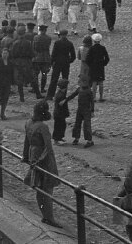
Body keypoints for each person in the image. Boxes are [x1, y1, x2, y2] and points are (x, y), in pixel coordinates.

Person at [23, 99, 61, 228]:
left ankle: (45, 216)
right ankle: (50, 218)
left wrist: (26, 157)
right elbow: (48, 148)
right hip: (44, 160)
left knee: (39, 188)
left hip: (33, 155)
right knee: (48, 189)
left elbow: (26, 142)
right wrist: (40, 161)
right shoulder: (43, 127)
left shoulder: (28, 123)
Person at [46, 29, 75, 99]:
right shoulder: (69, 43)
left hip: (57, 63)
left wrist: (51, 63)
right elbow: (73, 56)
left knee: (54, 79)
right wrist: (69, 61)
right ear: (66, 35)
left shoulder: (57, 43)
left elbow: (53, 54)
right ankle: (63, 95)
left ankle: (50, 95)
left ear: (60, 35)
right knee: (65, 79)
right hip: (66, 63)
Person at [68, 81, 95, 147]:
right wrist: (66, 100)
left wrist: (92, 111)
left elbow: (92, 101)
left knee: (86, 126)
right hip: (80, 109)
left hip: (86, 110)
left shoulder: (89, 91)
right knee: (77, 124)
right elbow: (72, 95)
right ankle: (76, 138)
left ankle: (89, 141)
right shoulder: (79, 89)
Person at [52, 79, 70, 144]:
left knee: (62, 126)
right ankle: (56, 140)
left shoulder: (60, 93)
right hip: (59, 114)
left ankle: (59, 138)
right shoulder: (61, 95)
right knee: (58, 127)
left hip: (58, 113)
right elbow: (62, 105)